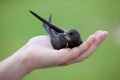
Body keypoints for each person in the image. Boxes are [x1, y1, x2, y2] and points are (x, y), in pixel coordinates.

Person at [0, 30, 108, 80]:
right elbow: (62, 35)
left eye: (69, 34)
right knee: (55, 33)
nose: (66, 35)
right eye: (66, 34)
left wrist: (26, 59)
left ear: (76, 36)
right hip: (55, 37)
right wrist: (28, 56)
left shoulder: (78, 41)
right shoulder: (62, 42)